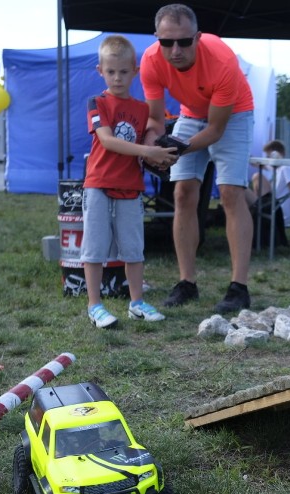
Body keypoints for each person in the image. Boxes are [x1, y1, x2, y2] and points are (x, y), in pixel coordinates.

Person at [140, 3, 255, 314]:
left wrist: (173, 149)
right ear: (156, 39)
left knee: (231, 193)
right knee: (182, 193)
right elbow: (155, 120)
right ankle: (187, 282)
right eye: (166, 42)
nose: (175, 50)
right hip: (191, 112)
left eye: (184, 41)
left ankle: (238, 287)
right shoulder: (150, 60)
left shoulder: (222, 60)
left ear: (198, 37)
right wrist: (152, 147)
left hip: (234, 115)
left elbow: (216, 129)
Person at [81, 34, 179, 329]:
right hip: (98, 184)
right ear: (100, 71)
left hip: (131, 187)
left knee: (134, 249)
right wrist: (148, 151)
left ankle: (136, 303)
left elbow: (153, 129)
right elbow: (108, 141)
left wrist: (160, 153)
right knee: (94, 249)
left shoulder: (143, 109)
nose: (117, 77)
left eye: (124, 72)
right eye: (110, 71)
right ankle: (94, 306)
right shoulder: (96, 102)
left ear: (135, 71)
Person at [248, 140, 290, 230]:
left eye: (269, 156)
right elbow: (257, 164)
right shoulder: (276, 168)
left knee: (256, 177)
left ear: (277, 154)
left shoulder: (286, 168)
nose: (267, 159)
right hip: (275, 211)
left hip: (280, 216)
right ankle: (253, 213)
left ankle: (255, 212)